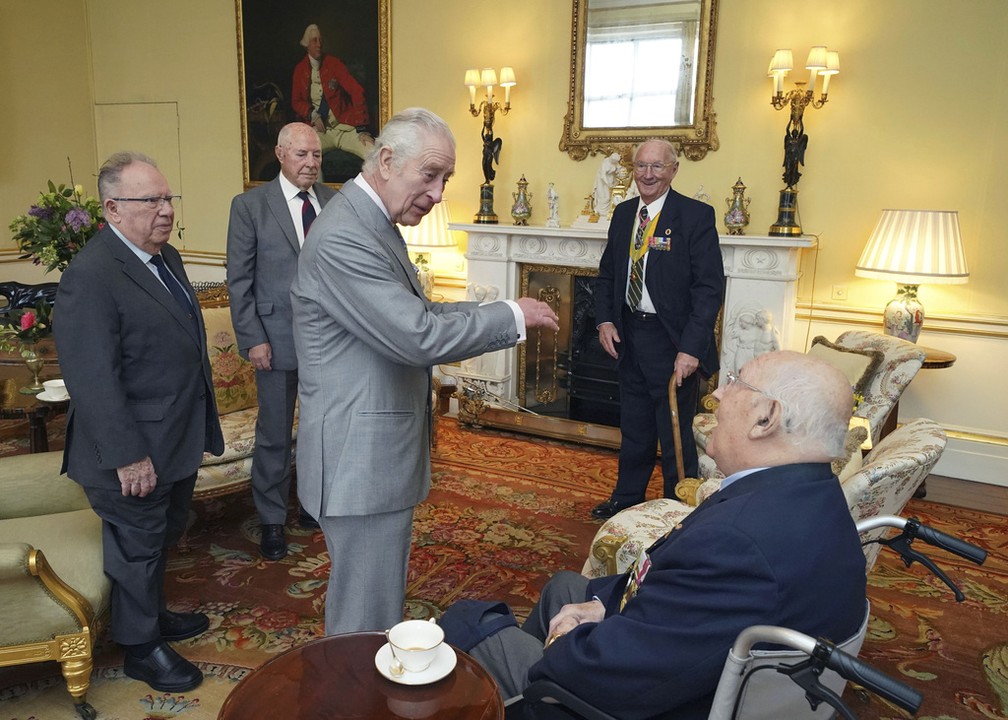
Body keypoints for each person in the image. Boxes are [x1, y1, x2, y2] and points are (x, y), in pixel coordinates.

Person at [441, 350, 868, 720]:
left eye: (736, 381)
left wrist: (565, 644)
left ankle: (527, 701)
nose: (717, 393)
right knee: (568, 590)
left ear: (765, 417)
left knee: (471, 622)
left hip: (647, 702)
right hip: (692, 660)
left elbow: (615, 675)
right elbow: (681, 605)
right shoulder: (812, 494)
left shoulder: (740, 544)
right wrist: (598, 607)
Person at [290, 107, 559, 635]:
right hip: (357, 461)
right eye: (430, 175)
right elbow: (418, 336)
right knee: (363, 618)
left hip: (371, 457)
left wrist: (503, 311)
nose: (438, 194)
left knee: (375, 606)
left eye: (446, 179)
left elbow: (424, 313)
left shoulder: (372, 222)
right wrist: (509, 316)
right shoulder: (347, 236)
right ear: (386, 160)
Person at [54, 152, 224, 692]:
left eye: (167, 198)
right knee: (138, 544)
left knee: (163, 534)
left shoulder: (165, 257)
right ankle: (140, 648)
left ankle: (151, 615)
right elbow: (92, 378)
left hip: (173, 438)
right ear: (111, 209)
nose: (165, 210)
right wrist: (127, 454)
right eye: (150, 200)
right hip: (130, 449)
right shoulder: (92, 275)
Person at [591, 138, 724, 520]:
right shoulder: (622, 214)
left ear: (673, 170)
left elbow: (709, 289)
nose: (647, 175)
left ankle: (678, 507)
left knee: (674, 430)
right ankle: (626, 498)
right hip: (629, 337)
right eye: (641, 166)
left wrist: (692, 348)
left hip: (673, 343)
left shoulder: (695, 216)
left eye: (657, 167)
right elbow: (608, 275)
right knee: (634, 425)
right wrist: (605, 320)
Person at [226, 122, 335, 560]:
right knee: (274, 434)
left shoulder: (334, 201)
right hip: (274, 339)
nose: (311, 163)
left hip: (329, 341)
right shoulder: (251, 205)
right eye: (302, 155)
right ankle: (271, 519)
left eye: (317, 156)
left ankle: (311, 504)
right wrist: (253, 338)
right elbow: (239, 280)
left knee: (318, 430)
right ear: (280, 154)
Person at [291, 23, 374, 161]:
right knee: (303, 160)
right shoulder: (299, 70)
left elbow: (357, 91)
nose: (319, 44)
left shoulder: (334, 64)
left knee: (373, 154)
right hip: (320, 132)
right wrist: (312, 114)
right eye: (314, 41)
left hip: (345, 128)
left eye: (321, 40)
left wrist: (362, 128)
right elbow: (296, 101)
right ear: (307, 44)